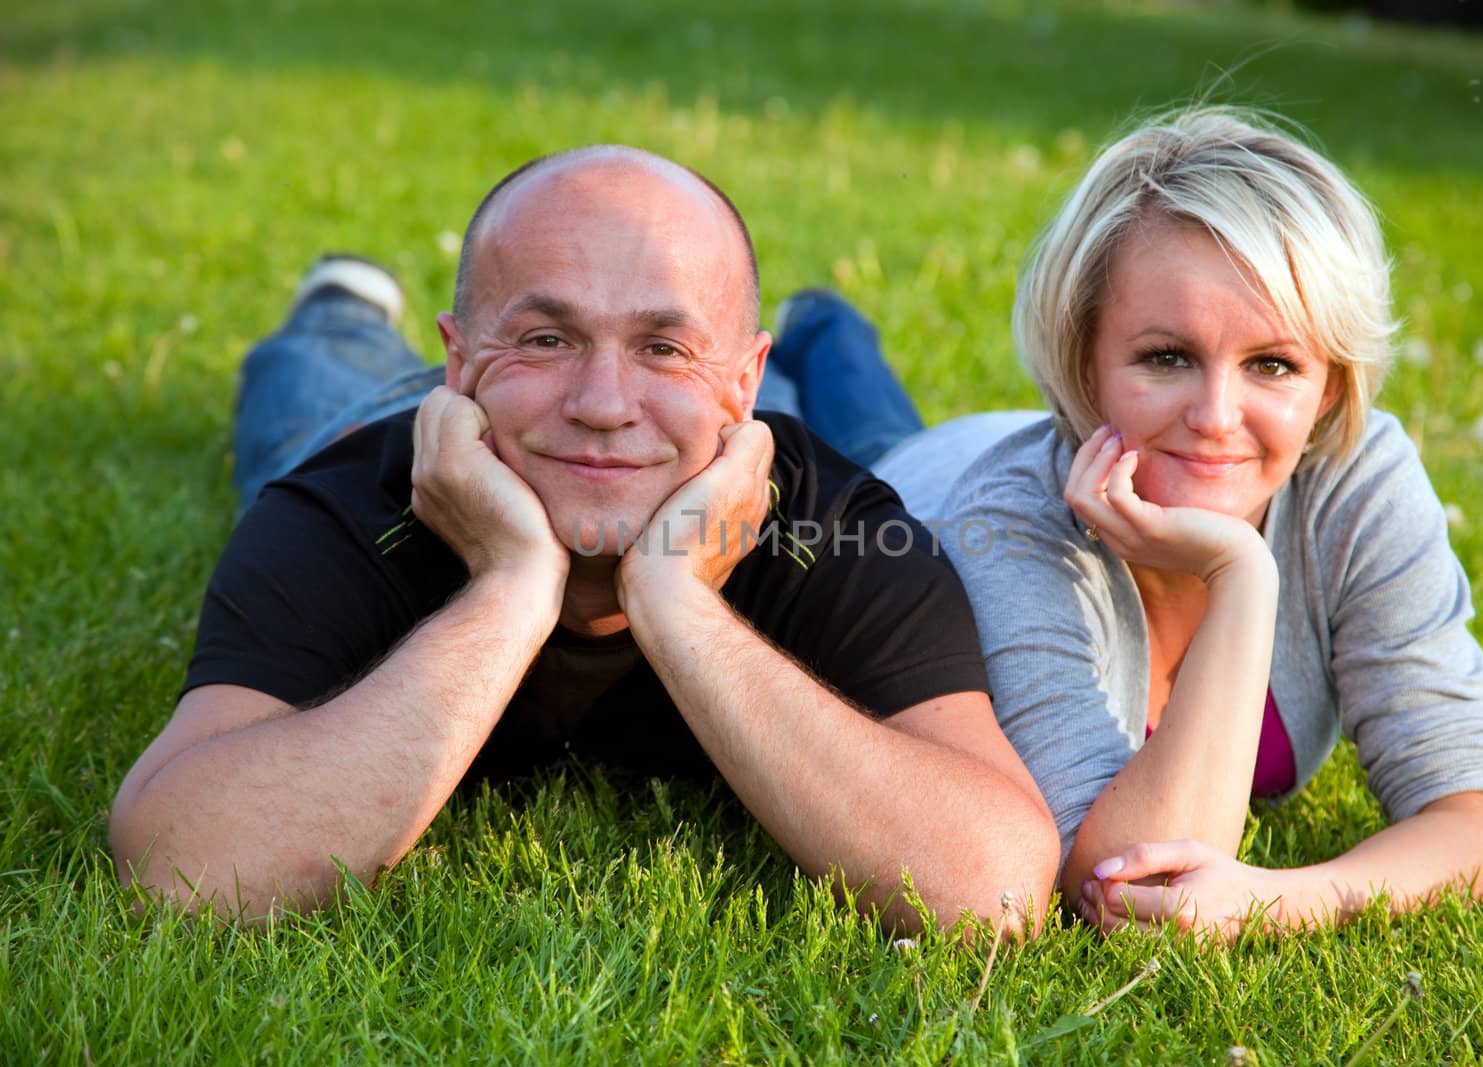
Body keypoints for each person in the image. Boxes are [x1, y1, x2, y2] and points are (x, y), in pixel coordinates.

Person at [108, 146, 1060, 932]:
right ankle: (341, 312)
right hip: (408, 426)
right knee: (306, 397)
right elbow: (183, 867)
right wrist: (513, 587)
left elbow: (995, 888)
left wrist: (676, 601)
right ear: (459, 357)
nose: (604, 405)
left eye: (665, 347)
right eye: (545, 339)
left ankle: (813, 331)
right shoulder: (346, 505)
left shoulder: (836, 526)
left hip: (651, 442)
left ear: (743, 383)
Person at [824, 108, 1483, 940]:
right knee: (857, 435)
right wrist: (1243, 574)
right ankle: (822, 325)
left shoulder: (1356, 478)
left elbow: (1480, 820)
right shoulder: (1008, 520)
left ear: (1330, 386)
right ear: (1085, 360)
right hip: (916, 485)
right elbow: (1117, 884)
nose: (1217, 417)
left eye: (1273, 364)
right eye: (1167, 357)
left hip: (1039, 444)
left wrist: (1275, 899)